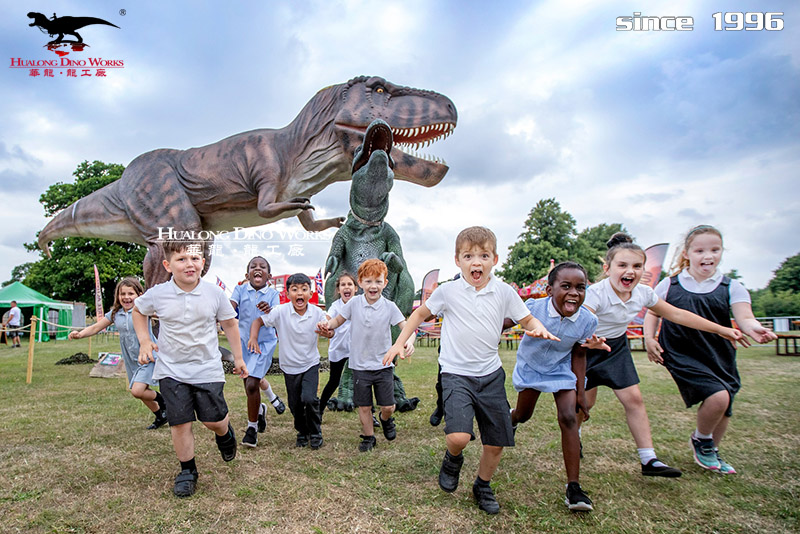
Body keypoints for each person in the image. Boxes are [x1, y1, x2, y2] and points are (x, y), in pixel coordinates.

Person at [384, 226, 559, 515]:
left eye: (483, 255)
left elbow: (526, 319)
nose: (476, 262)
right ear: (458, 260)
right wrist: (398, 344)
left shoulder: (504, 291)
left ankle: (482, 485)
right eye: (468, 256)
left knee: (497, 442)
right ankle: (453, 458)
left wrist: (537, 327)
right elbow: (418, 314)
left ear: (495, 259)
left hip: (491, 375)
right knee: (458, 437)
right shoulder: (448, 292)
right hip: (455, 374)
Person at [581, 232, 745, 478]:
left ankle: (649, 460)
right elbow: (580, 322)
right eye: (622, 265)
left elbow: (677, 315)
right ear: (608, 268)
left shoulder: (644, 293)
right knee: (584, 405)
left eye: (637, 266)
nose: (630, 271)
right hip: (587, 350)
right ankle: (576, 436)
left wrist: (722, 329)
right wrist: (587, 340)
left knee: (634, 400)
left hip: (616, 349)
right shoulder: (595, 293)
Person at [644, 225, 776, 474]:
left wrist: (754, 328)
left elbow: (745, 317)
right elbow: (652, 311)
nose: (708, 255)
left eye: (715, 250)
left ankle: (710, 451)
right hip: (681, 353)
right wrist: (649, 338)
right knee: (718, 396)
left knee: (725, 403)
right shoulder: (669, 285)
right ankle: (701, 440)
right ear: (686, 253)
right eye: (700, 250)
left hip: (718, 353)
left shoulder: (731, 287)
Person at [133, 240, 247, 498]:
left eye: (194, 259)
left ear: (203, 264)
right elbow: (138, 311)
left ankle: (225, 433)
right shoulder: (159, 293)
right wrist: (144, 340)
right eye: (181, 259)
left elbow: (229, 324)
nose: (189, 264)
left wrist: (238, 358)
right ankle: (187, 471)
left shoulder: (214, 294)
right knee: (180, 423)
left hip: (206, 368)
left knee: (213, 420)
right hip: (171, 369)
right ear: (168, 265)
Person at [510, 262, 608, 511]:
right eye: (566, 286)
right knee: (524, 415)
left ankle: (573, 488)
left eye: (580, 287)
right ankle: (512, 419)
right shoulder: (533, 308)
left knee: (568, 418)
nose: (574, 292)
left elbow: (579, 354)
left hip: (560, 369)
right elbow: (502, 323)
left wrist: (581, 394)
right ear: (550, 289)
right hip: (531, 367)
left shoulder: (587, 320)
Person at [319, 260, 415, 452]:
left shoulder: (389, 307)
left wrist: (409, 341)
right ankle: (368, 437)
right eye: (369, 281)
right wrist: (327, 326)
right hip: (360, 366)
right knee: (364, 407)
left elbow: (408, 328)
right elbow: (338, 320)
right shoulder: (354, 303)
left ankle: (386, 419)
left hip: (383, 365)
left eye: (378, 281)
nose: (373, 286)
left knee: (388, 406)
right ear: (361, 283)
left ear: (385, 283)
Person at [69, 277, 167, 429]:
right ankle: (161, 416)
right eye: (123, 294)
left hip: (147, 356)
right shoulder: (115, 314)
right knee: (139, 391)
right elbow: (96, 327)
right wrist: (80, 334)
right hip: (130, 358)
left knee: (137, 391)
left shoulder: (144, 310)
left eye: (131, 294)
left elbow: (166, 314)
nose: (126, 297)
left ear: (139, 295)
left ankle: (163, 402)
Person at [248, 273, 331, 450]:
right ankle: (302, 432)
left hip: (310, 363)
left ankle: (315, 432)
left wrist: (328, 332)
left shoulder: (317, 312)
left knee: (309, 399)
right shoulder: (280, 312)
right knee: (295, 405)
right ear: (287, 293)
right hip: (289, 367)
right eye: (294, 289)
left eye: (304, 289)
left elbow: (329, 327)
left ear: (310, 293)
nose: (299, 293)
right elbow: (258, 321)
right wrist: (253, 337)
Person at [229, 256, 286, 448]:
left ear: (269, 276)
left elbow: (276, 315)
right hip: (243, 343)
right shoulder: (239, 290)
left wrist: (269, 310)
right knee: (249, 386)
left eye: (262, 267)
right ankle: (260, 408)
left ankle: (251, 429)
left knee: (253, 384)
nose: (258, 268)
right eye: (253, 266)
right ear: (247, 274)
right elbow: (230, 308)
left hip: (264, 344)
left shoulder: (272, 294)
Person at [318, 272, 357, 420]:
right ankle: (319, 410)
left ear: (356, 288)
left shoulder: (361, 303)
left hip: (357, 349)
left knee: (362, 382)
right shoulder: (336, 306)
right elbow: (327, 318)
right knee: (334, 380)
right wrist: (324, 324)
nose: (346, 287)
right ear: (338, 290)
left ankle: (369, 413)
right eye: (343, 285)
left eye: (349, 284)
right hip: (339, 349)